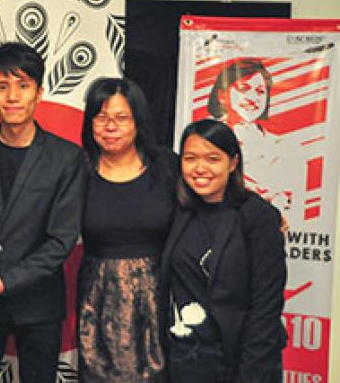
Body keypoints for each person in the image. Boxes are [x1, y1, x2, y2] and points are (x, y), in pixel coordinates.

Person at [0, 42, 87, 382]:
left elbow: (61, 241)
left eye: (23, 85)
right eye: (2, 86)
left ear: (39, 93)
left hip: (38, 303)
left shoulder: (66, 157)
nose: (12, 96)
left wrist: (7, 281)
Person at [161, 119, 287, 382]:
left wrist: (251, 374)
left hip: (239, 360)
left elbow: (265, 307)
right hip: (186, 361)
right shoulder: (177, 210)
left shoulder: (257, 217)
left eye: (212, 159)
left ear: (232, 163)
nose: (200, 168)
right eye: (190, 158)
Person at [77, 77, 177, 382]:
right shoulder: (77, 169)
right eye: (101, 117)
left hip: (159, 294)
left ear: (138, 122)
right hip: (98, 298)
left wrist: (262, 217)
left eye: (121, 118)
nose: (110, 127)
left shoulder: (167, 165)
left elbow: (212, 198)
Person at [207, 58, 292, 211]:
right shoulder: (205, 140)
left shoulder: (284, 149)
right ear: (222, 95)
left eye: (260, 91)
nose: (253, 99)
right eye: (243, 88)